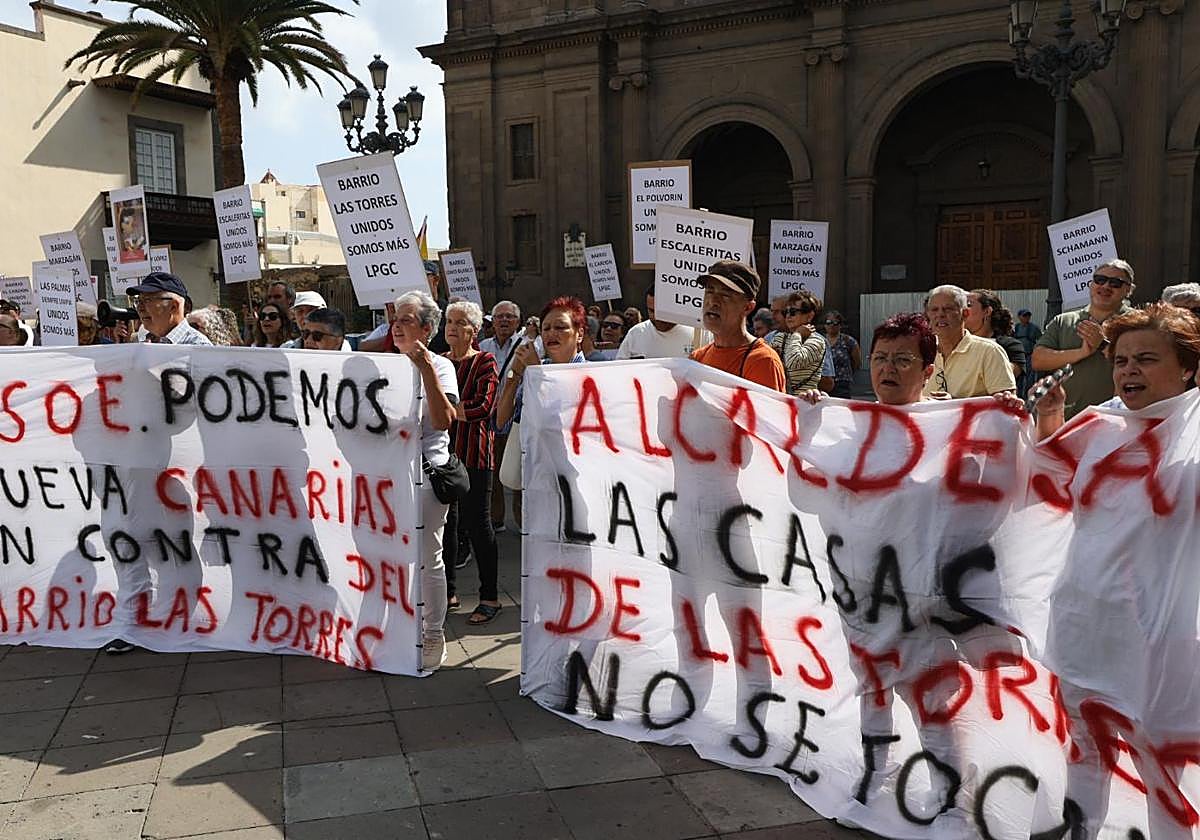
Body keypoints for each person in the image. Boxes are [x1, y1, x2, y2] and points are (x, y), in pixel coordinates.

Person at [1010, 303, 1200, 441]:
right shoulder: (1104, 419)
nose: (1129, 370)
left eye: (1146, 359)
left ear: (1187, 368)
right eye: (1120, 361)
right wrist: (1050, 415)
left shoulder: (1194, 433)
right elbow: (1056, 470)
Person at [390, 289, 458, 671]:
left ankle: (433, 634)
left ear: (427, 329)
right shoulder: (383, 366)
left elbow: (442, 421)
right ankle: (399, 626)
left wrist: (425, 370)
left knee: (427, 557)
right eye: (395, 320)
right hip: (388, 475)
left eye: (406, 321)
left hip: (426, 476)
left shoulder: (441, 367)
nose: (397, 327)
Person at [441, 301, 502, 624]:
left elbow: (483, 407)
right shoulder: (437, 363)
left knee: (479, 526)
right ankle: (448, 591)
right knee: (446, 526)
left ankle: (489, 596)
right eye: (449, 321)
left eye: (460, 322)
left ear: (474, 331)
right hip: (443, 456)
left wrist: (445, 410)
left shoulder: (485, 361)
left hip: (475, 455)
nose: (452, 327)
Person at [1031, 258, 1136, 418]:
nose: (1105, 286)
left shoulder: (1139, 322)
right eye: (1100, 280)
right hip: (1066, 420)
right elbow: (1038, 360)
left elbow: (1142, 366)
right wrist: (1081, 353)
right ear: (1091, 284)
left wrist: (1103, 346)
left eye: (1115, 283)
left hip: (1116, 420)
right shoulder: (1063, 321)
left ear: (1128, 290)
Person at [690, 260, 786, 391]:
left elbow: (768, 411)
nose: (713, 301)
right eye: (709, 291)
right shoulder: (698, 358)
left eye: (725, 295)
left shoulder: (762, 361)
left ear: (747, 307)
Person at [495, 296, 587, 430]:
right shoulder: (534, 368)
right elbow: (502, 423)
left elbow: (560, 420)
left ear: (579, 334)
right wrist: (514, 374)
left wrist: (537, 372)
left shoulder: (592, 373)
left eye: (560, 327)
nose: (552, 333)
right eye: (546, 328)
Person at [922, 284, 1014, 398]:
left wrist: (955, 404)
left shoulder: (989, 352)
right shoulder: (920, 351)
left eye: (948, 309)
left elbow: (1005, 404)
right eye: (934, 310)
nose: (940, 314)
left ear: (965, 314)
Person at [480, 300, 523, 533]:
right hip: (489, 419)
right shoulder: (483, 345)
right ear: (492, 321)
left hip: (515, 419)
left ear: (517, 321)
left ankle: (522, 521)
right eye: (499, 317)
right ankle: (496, 519)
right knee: (493, 472)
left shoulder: (526, 346)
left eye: (509, 316)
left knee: (516, 472)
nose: (504, 321)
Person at [616, 282, 701, 359]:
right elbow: (620, 370)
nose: (656, 317)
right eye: (652, 311)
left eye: (662, 311)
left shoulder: (699, 334)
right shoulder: (636, 333)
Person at [127, 272, 212, 345]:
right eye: (138, 301)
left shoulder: (199, 347)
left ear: (174, 306)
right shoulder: (139, 341)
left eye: (147, 300)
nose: (140, 308)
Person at [769, 290, 827, 395]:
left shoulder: (818, 341)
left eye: (793, 312)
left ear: (809, 316)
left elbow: (793, 361)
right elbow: (767, 366)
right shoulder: (780, 337)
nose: (788, 316)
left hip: (804, 403)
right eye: (785, 312)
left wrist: (797, 334)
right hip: (781, 401)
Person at [966, 289, 1026, 384]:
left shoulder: (1010, 345)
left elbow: (1006, 376)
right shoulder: (956, 344)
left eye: (969, 305)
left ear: (987, 311)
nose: (963, 310)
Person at [822, 310, 860, 398]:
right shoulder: (819, 340)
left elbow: (857, 362)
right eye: (829, 323)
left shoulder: (849, 341)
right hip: (824, 383)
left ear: (840, 325)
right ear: (824, 325)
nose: (832, 325)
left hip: (842, 384)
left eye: (835, 323)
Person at [1013, 308, 1042, 397]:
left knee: (1029, 377)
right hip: (1018, 356)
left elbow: (1041, 340)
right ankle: (1018, 395)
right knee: (1018, 377)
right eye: (1024, 315)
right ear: (1019, 317)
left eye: (1028, 315)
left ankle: (1028, 395)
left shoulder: (1034, 328)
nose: (1027, 317)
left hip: (1029, 355)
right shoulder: (1015, 328)